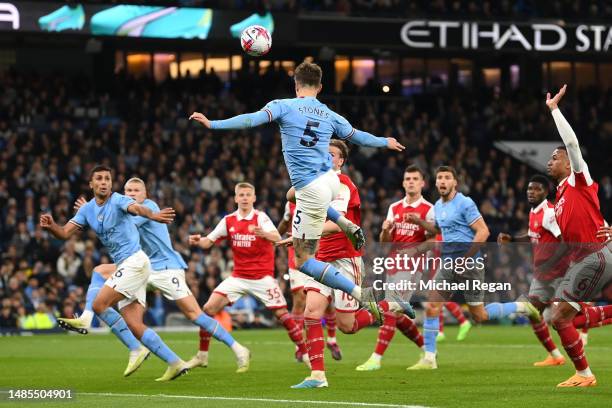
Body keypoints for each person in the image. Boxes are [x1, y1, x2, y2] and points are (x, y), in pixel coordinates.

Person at [189, 61, 412, 321]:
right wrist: (386, 141)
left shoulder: (282, 105)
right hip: (330, 182)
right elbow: (360, 137)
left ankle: (361, 293)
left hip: (311, 187)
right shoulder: (329, 114)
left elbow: (250, 120)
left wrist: (213, 124)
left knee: (303, 262)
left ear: (296, 86)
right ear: (320, 87)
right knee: (291, 195)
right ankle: (343, 222)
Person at [58, 177, 250, 375]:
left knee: (194, 314)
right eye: (128, 190)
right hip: (141, 266)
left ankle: (238, 348)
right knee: (126, 312)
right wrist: (91, 210)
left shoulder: (148, 206)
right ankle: (168, 360)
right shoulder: (122, 208)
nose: (131, 194)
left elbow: (120, 222)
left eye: (136, 190)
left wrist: (92, 212)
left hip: (166, 268)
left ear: (145, 194)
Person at [40, 165, 188, 382]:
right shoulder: (87, 210)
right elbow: (63, 233)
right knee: (134, 324)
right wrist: (52, 225)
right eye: (99, 178)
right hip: (128, 265)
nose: (103, 182)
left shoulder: (118, 200)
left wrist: (154, 215)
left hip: (135, 262)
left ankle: (92, 323)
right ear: (91, 184)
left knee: (100, 301)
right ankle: (176, 362)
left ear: (111, 183)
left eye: (107, 179)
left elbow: (137, 209)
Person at [406, 166, 540, 370]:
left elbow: (483, 232)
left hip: (469, 264)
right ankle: (429, 358)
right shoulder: (438, 206)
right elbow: (439, 229)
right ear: (435, 183)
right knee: (432, 306)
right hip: (448, 261)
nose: (442, 181)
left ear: (455, 182)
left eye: (447, 178)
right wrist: (419, 221)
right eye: (439, 177)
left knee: (479, 316)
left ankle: (522, 306)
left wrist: (465, 258)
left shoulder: (465, 203)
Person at [285, 139, 390, 388]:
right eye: (323, 154)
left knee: (347, 326)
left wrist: (303, 234)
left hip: (345, 258)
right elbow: (294, 200)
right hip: (320, 258)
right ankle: (317, 376)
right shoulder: (315, 185)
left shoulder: (342, 184)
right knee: (311, 312)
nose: (326, 158)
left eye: (331, 154)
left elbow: (336, 224)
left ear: (341, 161)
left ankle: (391, 302)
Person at [187, 182, 308, 369]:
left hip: (262, 278)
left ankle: (305, 354)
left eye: (248, 195)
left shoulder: (261, 218)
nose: (244, 198)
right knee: (208, 309)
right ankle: (202, 355)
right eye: (241, 195)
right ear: (235, 198)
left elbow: (277, 238)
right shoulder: (228, 220)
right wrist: (197, 241)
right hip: (238, 277)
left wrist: (264, 234)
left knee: (282, 315)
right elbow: (208, 241)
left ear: (254, 198)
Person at [543, 85, 612, 387]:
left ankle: (584, 374)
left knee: (558, 318)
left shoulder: (579, 179)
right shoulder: (559, 199)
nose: (550, 161)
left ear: (569, 164)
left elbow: (571, 142)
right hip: (584, 259)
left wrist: (555, 110)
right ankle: (583, 374)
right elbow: (593, 220)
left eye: (555, 157)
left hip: (594, 257)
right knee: (562, 318)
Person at [356, 165, 431, 372]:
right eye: (408, 179)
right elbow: (385, 241)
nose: (411, 182)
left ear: (423, 183)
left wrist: (415, 251)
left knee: (390, 306)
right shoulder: (394, 208)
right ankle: (428, 351)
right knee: (397, 315)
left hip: (413, 266)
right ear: (403, 182)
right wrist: (385, 232)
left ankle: (376, 358)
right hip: (393, 263)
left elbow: (434, 241)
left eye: (415, 178)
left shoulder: (429, 209)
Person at [498, 175, 570, 367]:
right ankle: (555, 355)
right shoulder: (534, 211)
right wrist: (512, 240)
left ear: (545, 192)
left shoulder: (549, 213)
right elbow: (532, 236)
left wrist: (552, 263)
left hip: (556, 272)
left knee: (562, 314)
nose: (531, 192)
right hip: (543, 273)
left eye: (536, 189)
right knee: (534, 313)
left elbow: (565, 241)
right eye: (529, 189)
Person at [278, 200, 342, 363]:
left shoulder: (320, 198)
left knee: (327, 301)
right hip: (296, 258)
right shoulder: (290, 203)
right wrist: (275, 240)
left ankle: (332, 340)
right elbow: (285, 222)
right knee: (299, 300)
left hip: (318, 256)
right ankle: (300, 346)